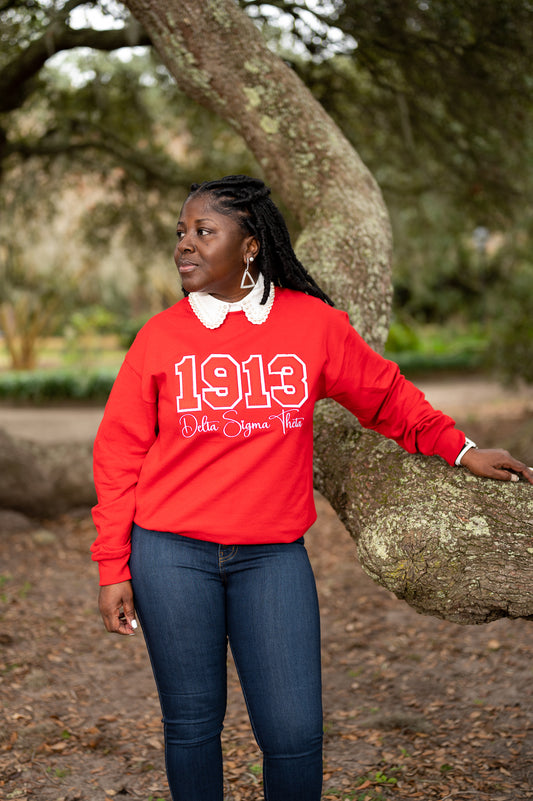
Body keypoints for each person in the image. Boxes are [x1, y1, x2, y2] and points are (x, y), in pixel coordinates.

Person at [91, 174, 533, 801]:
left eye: (202, 231)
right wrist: (114, 565)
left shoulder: (313, 326)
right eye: (181, 233)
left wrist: (459, 449)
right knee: (192, 725)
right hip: (169, 553)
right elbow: (117, 454)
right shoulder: (160, 337)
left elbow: (385, 396)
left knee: (295, 731)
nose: (183, 245)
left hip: (271, 556)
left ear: (250, 247)